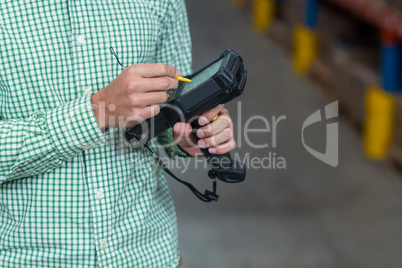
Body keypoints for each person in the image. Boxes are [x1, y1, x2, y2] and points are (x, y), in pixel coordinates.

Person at [0, 0, 236, 267]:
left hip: (148, 253)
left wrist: (186, 137)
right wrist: (99, 110)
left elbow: (171, 108)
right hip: (30, 258)